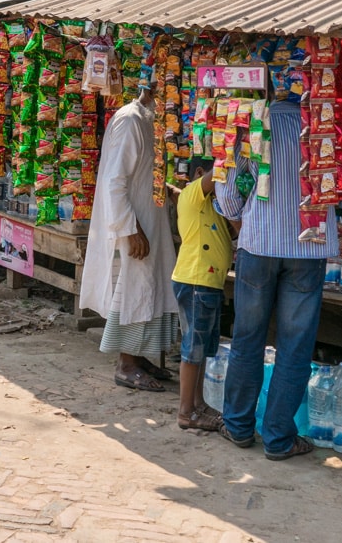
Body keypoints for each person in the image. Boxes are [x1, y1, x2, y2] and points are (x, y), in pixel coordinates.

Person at [216, 88, 338, 460]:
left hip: (259, 244)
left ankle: (237, 426)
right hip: (309, 247)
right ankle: (279, 438)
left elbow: (228, 196)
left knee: (247, 339)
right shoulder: (327, 124)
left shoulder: (251, 119)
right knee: (295, 347)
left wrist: (244, 215)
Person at [80, 81, 179, 392]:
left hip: (151, 219)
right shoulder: (130, 120)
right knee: (135, 289)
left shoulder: (150, 122)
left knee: (153, 285)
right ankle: (126, 364)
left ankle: (139, 356)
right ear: (152, 91)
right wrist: (130, 228)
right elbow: (114, 181)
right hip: (135, 225)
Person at [169, 157, 232, 433]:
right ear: (198, 173)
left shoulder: (213, 205)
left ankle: (198, 403)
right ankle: (186, 411)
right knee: (192, 349)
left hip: (208, 283)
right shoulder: (194, 192)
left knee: (203, 348)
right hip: (196, 280)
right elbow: (217, 174)